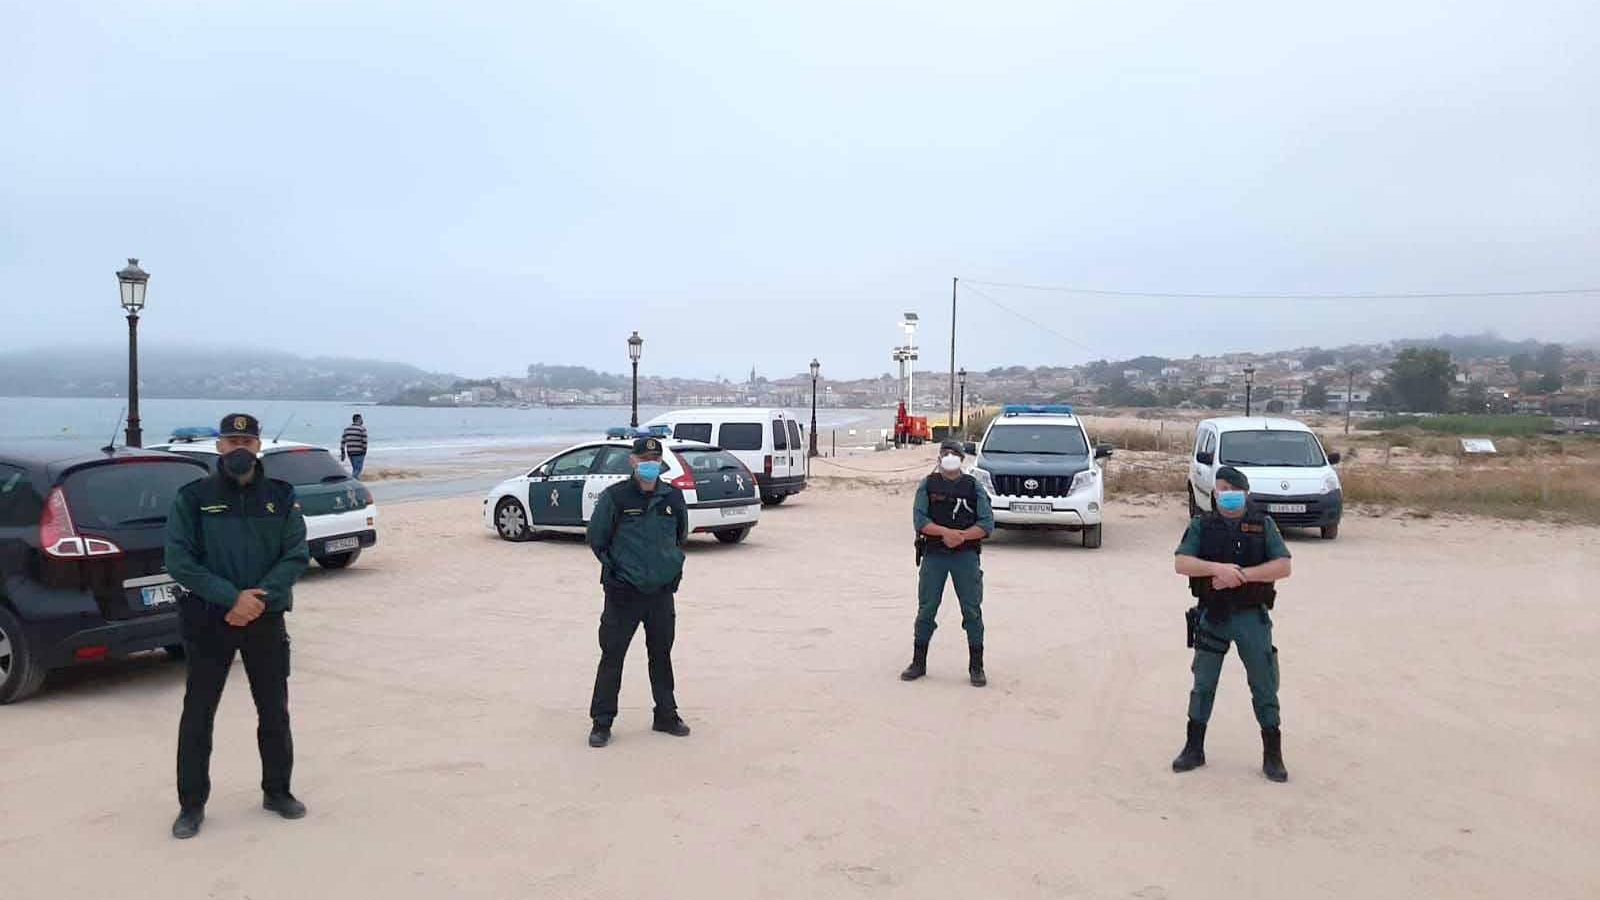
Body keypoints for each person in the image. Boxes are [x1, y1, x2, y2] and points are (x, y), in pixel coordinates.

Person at [165, 413, 311, 839]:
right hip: (209, 619)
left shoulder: (281, 496)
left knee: (274, 710)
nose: (239, 449)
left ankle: (277, 792)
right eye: (231, 441)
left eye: (246, 442)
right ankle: (191, 806)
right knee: (198, 713)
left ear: (258, 446)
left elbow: (295, 555)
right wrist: (232, 599)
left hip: (264, 618)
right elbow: (179, 560)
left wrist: (255, 601)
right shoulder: (194, 497)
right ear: (219, 447)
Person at [1171, 466, 1293, 782]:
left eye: (1231, 488)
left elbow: (1283, 566)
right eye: (1220, 489)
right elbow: (1181, 563)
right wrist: (1217, 569)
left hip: (1251, 618)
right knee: (1203, 684)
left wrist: (1240, 576)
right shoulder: (1202, 525)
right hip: (1213, 615)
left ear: (1245, 493)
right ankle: (1194, 748)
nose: (1224, 494)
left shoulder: (1263, 525)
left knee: (1264, 683)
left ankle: (1273, 754)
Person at [585, 436, 692, 748]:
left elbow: (680, 536)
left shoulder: (672, 497)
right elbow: (597, 539)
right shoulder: (616, 497)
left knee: (661, 655)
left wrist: (670, 568)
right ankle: (602, 722)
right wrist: (618, 573)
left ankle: (666, 715)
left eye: (654, 460)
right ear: (632, 461)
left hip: (660, 593)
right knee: (612, 656)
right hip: (623, 594)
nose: (649, 465)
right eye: (644, 460)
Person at [900, 439, 995, 686]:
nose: (950, 456)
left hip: (965, 556)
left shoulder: (973, 486)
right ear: (939, 457)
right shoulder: (928, 484)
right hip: (934, 555)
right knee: (927, 609)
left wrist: (961, 536)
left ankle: (977, 666)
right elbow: (920, 520)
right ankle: (918, 662)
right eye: (945, 452)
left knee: (971, 610)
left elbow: (987, 524)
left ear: (962, 459)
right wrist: (945, 533)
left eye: (955, 453)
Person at [340, 414, 369, 478]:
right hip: (359, 452)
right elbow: (364, 442)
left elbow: (342, 442)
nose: (362, 420)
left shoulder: (346, 429)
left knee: (355, 469)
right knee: (358, 470)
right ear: (358, 419)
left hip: (350, 452)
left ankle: (355, 482)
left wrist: (343, 453)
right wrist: (364, 452)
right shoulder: (362, 429)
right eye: (361, 419)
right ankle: (351, 480)